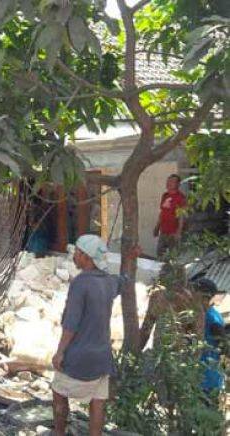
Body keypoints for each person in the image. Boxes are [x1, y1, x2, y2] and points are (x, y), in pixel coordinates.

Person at [51, 234, 140, 436]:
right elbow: (124, 280)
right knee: (97, 402)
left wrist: (60, 352)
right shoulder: (109, 282)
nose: (74, 256)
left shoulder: (80, 283)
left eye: (77, 253)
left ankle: (58, 433)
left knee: (58, 392)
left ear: (87, 258)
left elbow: (71, 324)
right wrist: (130, 258)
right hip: (102, 358)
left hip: (79, 356)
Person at [138, 262, 205, 351]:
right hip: (159, 353)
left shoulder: (192, 303)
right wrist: (135, 355)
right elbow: (146, 328)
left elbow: (196, 337)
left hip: (179, 357)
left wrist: (189, 359)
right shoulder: (157, 297)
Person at [194, 278, 226, 397]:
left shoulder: (212, 318)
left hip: (207, 380)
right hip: (198, 377)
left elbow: (225, 346)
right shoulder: (199, 313)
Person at [154, 174, 186, 258]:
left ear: (178, 184)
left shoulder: (181, 198)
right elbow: (162, 212)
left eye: (172, 181)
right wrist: (157, 227)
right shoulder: (165, 196)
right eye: (168, 181)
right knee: (160, 255)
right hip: (163, 232)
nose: (168, 183)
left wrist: (178, 232)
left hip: (173, 233)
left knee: (174, 257)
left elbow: (181, 216)